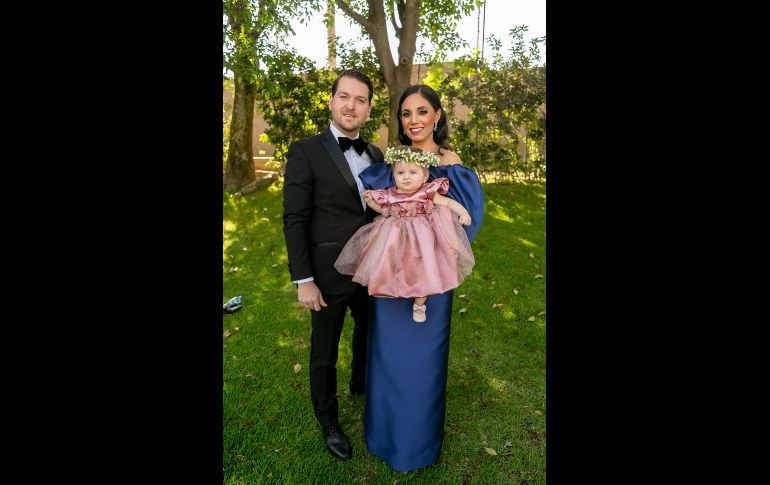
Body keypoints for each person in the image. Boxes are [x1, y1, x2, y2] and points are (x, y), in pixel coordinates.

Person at [354, 84, 485, 472]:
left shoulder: (450, 162)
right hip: (390, 273)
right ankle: (383, 435)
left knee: (424, 362)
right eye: (406, 113)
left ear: (437, 115)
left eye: (422, 111)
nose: (414, 120)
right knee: (387, 354)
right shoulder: (393, 159)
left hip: (432, 276)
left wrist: (430, 256)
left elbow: (466, 220)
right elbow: (378, 206)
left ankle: (417, 445)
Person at [282, 69, 385, 461]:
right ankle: (329, 422)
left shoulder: (376, 154)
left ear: (369, 109)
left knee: (369, 335)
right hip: (326, 274)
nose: (351, 106)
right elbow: (294, 219)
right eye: (345, 97)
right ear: (331, 101)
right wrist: (304, 280)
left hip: (371, 269)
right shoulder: (306, 150)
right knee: (324, 353)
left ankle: (361, 384)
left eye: (360, 100)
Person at [334, 146, 475, 323]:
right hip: (396, 236)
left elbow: (446, 202)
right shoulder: (390, 194)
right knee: (389, 261)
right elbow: (384, 212)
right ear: (394, 176)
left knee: (427, 269)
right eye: (400, 173)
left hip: (424, 237)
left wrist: (463, 212)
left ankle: (419, 303)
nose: (406, 177)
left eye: (413, 172)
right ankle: (388, 287)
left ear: (425, 176)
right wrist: (371, 203)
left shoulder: (427, 191)